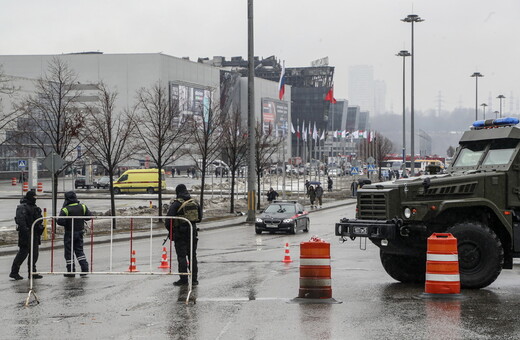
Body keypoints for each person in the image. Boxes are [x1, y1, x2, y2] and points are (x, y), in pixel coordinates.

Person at [167, 184, 202, 286]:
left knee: (182, 257)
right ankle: (194, 279)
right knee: (192, 256)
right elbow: (199, 218)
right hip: (192, 233)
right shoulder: (194, 203)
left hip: (180, 234)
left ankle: (184, 279)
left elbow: (168, 220)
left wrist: (172, 231)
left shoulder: (176, 204)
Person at [10, 191, 43, 280]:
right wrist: (26, 231)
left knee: (34, 254)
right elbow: (21, 221)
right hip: (26, 234)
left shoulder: (35, 207)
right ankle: (14, 272)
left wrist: (39, 226)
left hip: (35, 233)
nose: (35, 199)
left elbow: (39, 219)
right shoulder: (22, 207)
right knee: (23, 253)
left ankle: (32, 272)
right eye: (33, 197)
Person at [57, 191, 92, 278]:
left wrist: (68, 222)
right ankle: (84, 269)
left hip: (69, 233)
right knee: (79, 251)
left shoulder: (65, 209)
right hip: (80, 232)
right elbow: (89, 216)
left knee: (69, 252)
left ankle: (71, 271)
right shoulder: (82, 206)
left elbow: (60, 221)